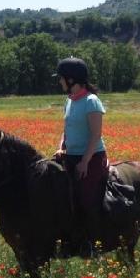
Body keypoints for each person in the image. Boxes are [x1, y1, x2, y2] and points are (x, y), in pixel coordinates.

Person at [52, 57, 108, 252]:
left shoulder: (91, 102)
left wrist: (85, 162)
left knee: (86, 197)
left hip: (92, 156)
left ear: (72, 80)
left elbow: (95, 135)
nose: (59, 82)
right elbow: (66, 130)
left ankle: (94, 243)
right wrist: (62, 147)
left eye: (61, 78)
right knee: (61, 196)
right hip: (71, 155)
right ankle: (68, 240)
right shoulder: (69, 101)